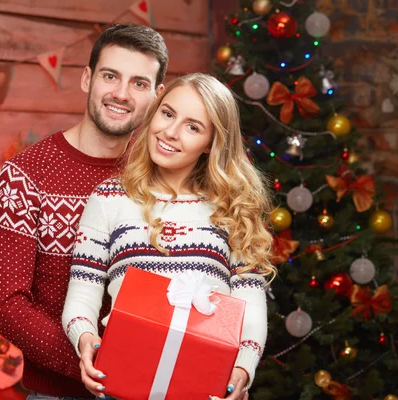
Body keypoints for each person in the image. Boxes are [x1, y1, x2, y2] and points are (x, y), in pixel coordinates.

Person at [62, 73, 277, 400]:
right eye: (168, 113)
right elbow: (82, 291)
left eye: (193, 127)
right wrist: (86, 339)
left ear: (211, 144)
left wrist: (242, 372)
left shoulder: (233, 210)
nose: (171, 133)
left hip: (204, 389)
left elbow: (251, 308)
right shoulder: (108, 199)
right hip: (123, 385)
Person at [0, 23, 168, 399]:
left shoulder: (163, 174)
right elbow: (8, 305)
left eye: (139, 83)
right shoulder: (26, 174)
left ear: (157, 95)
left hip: (154, 386)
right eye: (110, 76)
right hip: (60, 391)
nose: (121, 94)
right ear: (87, 79)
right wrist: (98, 365)